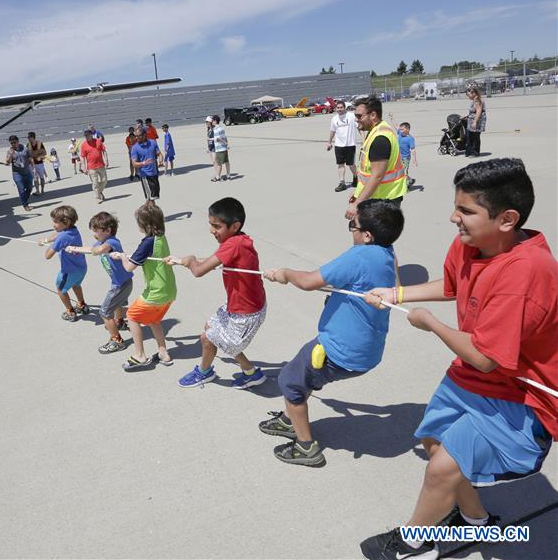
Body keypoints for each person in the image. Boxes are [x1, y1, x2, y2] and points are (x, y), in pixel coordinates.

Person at [360, 159, 557, 560]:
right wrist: (395, 294)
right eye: (456, 207)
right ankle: (477, 521)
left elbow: (487, 357)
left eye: (466, 211)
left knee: (441, 469)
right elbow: (451, 286)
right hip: (471, 377)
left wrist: (430, 323)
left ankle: (412, 541)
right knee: (434, 443)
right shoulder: (470, 243)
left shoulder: (527, 272)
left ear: (507, 219)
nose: (454, 218)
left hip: (520, 397)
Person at [260, 199, 405, 467]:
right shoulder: (387, 253)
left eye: (354, 225)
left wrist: (284, 273)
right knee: (305, 377)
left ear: (367, 235)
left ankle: (305, 447)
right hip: (366, 351)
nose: (351, 230)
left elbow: (308, 281)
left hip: (339, 350)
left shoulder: (359, 255)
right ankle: (288, 417)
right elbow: (387, 286)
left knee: (291, 381)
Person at [167, 197, 268, 389]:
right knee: (210, 329)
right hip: (237, 305)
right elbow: (214, 260)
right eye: (211, 225)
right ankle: (251, 373)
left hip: (246, 313)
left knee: (208, 338)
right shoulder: (239, 240)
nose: (212, 230)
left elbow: (198, 271)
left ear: (235, 226)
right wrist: (182, 261)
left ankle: (204, 373)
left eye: (217, 226)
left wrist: (190, 261)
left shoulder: (233, 244)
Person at [109, 203, 176, 369]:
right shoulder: (161, 237)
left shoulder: (147, 243)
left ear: (144, 225)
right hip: (169, 290)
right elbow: (146, 256)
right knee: (154, 320)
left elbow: (129, 267)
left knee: (132, 316)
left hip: (156, 292)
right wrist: (126, 256)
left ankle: (139, 355)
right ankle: (163, 353)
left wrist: (122, 256)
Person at [68, 212, 134, 354]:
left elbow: (99, 250)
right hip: (120, 282)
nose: (93, 234)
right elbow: (90, 249)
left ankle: (116, 340)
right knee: (117, 305)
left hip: (121, 285)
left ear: (108, 231)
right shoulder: (102, 242)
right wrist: (75, 249)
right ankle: (119, 322)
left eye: (95, 231)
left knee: (104, 311)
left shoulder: (112, 242)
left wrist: (95, 250)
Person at [346, 96, 407, 220]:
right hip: (379, 197)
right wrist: (358, 193)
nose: (357, 120)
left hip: (384, 200)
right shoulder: (378, 129)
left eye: (359, 116)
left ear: (373, 115)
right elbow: (367, 172)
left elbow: (377, 176)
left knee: (373, 237)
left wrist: (357, 203)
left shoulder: (380, 139)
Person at [40, 205, 90, 321]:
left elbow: (47, 256)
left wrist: (53, 245)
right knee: (76, 285)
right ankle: (82, 305)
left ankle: (70, 311)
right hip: (81, 268)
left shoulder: (62, 238)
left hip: (68, 271)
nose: (53, 224)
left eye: (56, 222)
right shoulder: (73, 230)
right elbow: (58, 234)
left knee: (60, 289)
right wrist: (46, 240)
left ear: (66, 222)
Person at [327, 99, 359, 192]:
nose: (339, 109)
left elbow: (359, 127)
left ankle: (356, 177)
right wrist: (329, 142)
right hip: (339, 145)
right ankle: (342, 183)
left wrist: (365, 139)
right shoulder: (334, 119)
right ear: (336, 108)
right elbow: (332, 131)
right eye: (338, 108)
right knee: (340, 164)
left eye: (341, 107)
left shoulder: (352, 116)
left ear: (345, 108)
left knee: (351, 164)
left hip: (350, 144)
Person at [130, 127, 161, 203]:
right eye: (135, 136)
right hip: (145, 175)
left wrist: (161, 160)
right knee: (151, 199)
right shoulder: (134, 148)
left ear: (144, 135)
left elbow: (159, 153)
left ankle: (145, 212)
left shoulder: (153, 142)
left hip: (155, 174)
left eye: (138, 135)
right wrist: (143, 163)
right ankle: (152, 214)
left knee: (153, 197)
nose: (136, 137)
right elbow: (134, 164)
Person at [5, 135, 33, 211]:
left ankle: (24, 200)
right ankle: (25, 204)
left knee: (30, 188)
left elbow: (30, 158)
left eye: (14, 142)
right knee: (21, 189)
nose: (13, 144)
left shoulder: (25, 148)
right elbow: (7, 162)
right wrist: (10, 154)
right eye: (11, 143)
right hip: (17, 173)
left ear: (18, 141)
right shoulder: (10, 151)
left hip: (27, 171)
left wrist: (33, 168)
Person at [79, 129, 109, 203]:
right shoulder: (83, 145)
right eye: (85, 136)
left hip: (101, 165)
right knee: (95, 183)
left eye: (87, 135)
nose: (86, 137)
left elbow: (104, 151)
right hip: (91, 167)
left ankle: (99, 192)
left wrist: (106, 160)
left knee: (104, 181)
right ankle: (98, 198)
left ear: (91, 135)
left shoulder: (98, 141)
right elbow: (82, 157)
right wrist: (83, 167)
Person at [393, 117, 418, 187]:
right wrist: (392, 119)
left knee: (404, 172)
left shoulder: (410, 139)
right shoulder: (400, 134)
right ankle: (410, 180)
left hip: (406, 158)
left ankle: (406, 185)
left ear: (407, 130)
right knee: (398, 171)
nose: (400, 130)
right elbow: (396, 126)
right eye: (400, 129)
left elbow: (413, 149)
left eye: (402, 129)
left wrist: (414, 159)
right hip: (399, 156)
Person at [464, 86, 486, 157]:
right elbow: (473, 112)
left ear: (473, 93)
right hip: (472, 121)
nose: (468, 96)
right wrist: (467, 116)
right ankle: (469, 151)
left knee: (475, 137)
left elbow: (478, 112)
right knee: (469, 137)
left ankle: (475, 152)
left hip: (476, 122)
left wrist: (475, 122)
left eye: (468, 94)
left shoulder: (477, 101)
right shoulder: (474, 100)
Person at [27, 131, 48, 196]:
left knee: (41, 177)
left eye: (29, 137)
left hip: (40, 163)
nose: (28, 139)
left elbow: (44, 153)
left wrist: (40, 157)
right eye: (28, 137)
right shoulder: (28, 145)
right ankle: (37, 191)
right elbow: (27, 155)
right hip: (32, 164)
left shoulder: (40, 143)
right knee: (35, 178)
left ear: (33, 137)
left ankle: (42, 190)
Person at [211, 115, 231, 181]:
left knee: (219, 164)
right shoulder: (222, 128)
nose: (212, 122)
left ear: (215, 121)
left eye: (213, 120)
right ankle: (228, 175)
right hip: (224, 148)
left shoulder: (216, 129)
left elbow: (218, 139)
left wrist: (224, 143)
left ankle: (217, 177)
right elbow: (225, 137)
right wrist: (227, 144)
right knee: (227, 162)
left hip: (219, 149)